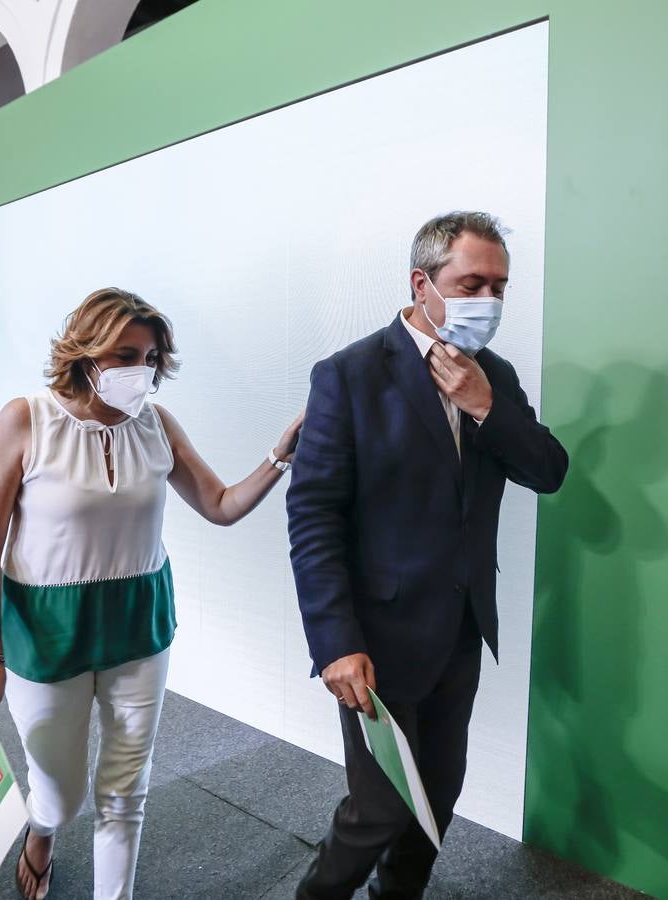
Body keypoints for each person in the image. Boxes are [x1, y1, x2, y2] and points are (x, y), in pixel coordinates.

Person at [0, 287, 303, 900]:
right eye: (124, 353)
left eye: (149, 356)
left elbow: (220, 506)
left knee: (124, 791)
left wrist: (279, 456)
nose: (139, 369)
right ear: (86, 353)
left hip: (139, 626)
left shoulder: (157, 425)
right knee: (60, 797)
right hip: (45, 630)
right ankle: (42, 830)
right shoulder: (26, 419)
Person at [286, 211, 568, 899]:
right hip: (374, 641)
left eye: (500, 287)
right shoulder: (348, 375)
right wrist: (333, 642)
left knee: (435, 801)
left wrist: (482, 406)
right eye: (473, 283)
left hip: (461, 631)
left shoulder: (491, 373)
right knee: (378, 808)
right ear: (422, 282)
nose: (489, 302)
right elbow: (313, 515)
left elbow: (547, 469)